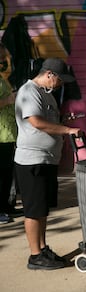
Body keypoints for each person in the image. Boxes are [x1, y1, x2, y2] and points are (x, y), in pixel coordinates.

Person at [14, 58, 82, 270]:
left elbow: (48, 121)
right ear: (50, 74)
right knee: (34, 210)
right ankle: (35, 255)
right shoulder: (29, 91)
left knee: (42, 208)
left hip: (46, 159)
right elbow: (35, 121)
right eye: (60, 80)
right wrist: (67, 131)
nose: (61, 84)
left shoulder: (46, 94)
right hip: (32, 161)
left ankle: (42, 248)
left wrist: (63, 123)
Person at [0, 43, 19, 224]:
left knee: (7, 173)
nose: (5, 62)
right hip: (0, 135)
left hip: (8, 134)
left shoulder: (2, 77)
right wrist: (7, 100)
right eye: (3, 58)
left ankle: (6, 206)